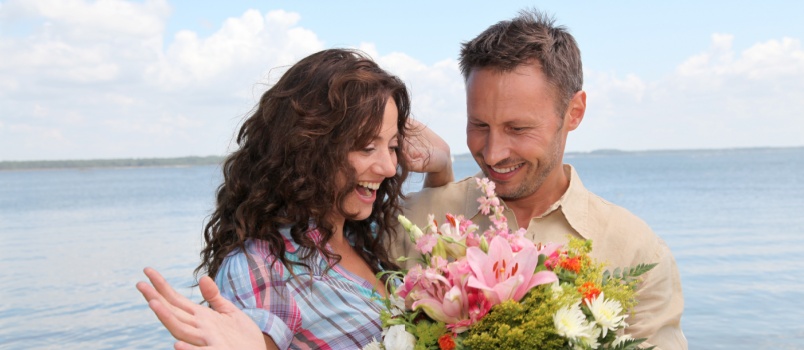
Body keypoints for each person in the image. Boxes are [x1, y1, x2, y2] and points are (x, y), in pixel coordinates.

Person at [391, 9, 687, 349]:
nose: (493, 153)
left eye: (518, 128)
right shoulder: (411, 220)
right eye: (479, 125)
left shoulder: (635, 251)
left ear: (574, 112)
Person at [137, 48, 452, 349]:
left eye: (393, 146)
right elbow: (256, 337)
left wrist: (444, 165)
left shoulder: (367, 236)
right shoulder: (263, 264)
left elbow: (435, 235)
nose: (389, 167)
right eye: (367, 147)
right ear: (308, 149)